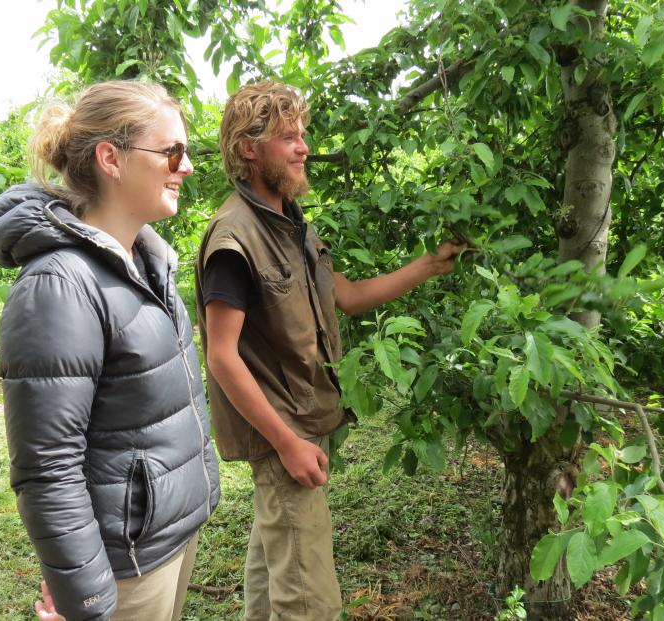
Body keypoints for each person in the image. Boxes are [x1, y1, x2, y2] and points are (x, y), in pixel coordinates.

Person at [194, 80, 466, 621]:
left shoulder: (292, 225)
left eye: (304, 135)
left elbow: (347, 296)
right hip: (283, 435)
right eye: (288, 137)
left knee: (273, 583)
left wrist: (430, 264)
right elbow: (221, 357)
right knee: (309, 602)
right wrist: (289, 444)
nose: (303, 148)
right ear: (250, 148)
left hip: (301, 427)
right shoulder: (234, 239)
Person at [0, 80, 220, 621]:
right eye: (171, 152)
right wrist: (86, 600)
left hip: (169, 538)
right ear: (111, 158)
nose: (186, 167)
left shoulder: (147, 259)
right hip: (125, 566)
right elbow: (48, 466)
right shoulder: (60, 285)